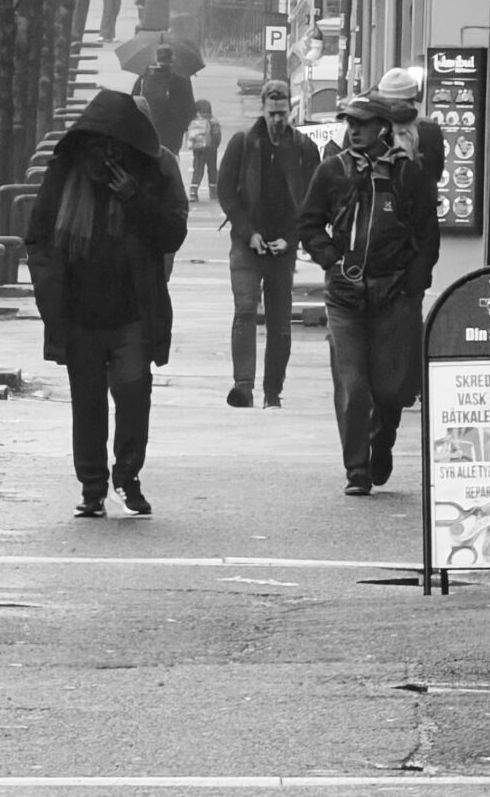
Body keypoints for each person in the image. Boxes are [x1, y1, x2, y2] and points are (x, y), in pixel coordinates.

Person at [25, 88, 189, 519]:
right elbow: (39, 238)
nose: (108, 155)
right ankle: (92, 487)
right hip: (79, 310)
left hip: (133, 310)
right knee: (88, 403)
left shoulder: (149, 172)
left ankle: (128, 478)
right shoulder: (66, 172)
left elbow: (171, 234)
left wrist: (135, 198)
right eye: (100, 145)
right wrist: (50, 300)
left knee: (134, 398)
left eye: (116, 146)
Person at [297, 91, 438, 494]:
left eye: (363, 123)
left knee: (393, 387)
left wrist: (413, 284)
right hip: (345, 295)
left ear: (382, 128)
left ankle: (383, 439)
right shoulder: (332, 171)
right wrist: (331, 261)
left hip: (394, 293)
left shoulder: (408, 174)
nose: (355, 130)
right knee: (353, 385)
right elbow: (308, 223)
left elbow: (427, 235)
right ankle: (356, 470)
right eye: (351, 123)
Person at [216, 77, 320, 409]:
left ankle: (272, 391)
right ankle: (243, 386)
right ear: (262, 109)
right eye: (272, 113)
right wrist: (249, 233)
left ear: (290, 111)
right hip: (246, 243)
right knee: (245, 310)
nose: (277, 119)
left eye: (282, 113)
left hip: (281, 248)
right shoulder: (243, 143)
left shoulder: (303, 149)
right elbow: (226, 193)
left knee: (279, 323)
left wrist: (290, 240)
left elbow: (314, 201)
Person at [374, 64, 448, 191]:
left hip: (385, 199)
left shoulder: (372, 129)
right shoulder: (430, 129)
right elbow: (436, 173)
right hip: (421, 199)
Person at [130, 42, 196, 157]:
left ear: (157, 57)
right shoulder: (182, 78)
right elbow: (189, 105)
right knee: (171, 157)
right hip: (173, 131)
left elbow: (133, 100)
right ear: (172, 58)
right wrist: (184, 126)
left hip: (149, 127)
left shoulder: (145, 77)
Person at [186, 97, 222, 200]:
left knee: (197, 170)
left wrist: (193, 146)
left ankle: (193, 191)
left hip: (198, 150)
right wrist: (215, 145)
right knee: (212, 170)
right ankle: (213, 192)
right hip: (211, 149)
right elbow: (217, 135)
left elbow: (190, 135)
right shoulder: (213, 121)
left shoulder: (195, 121)